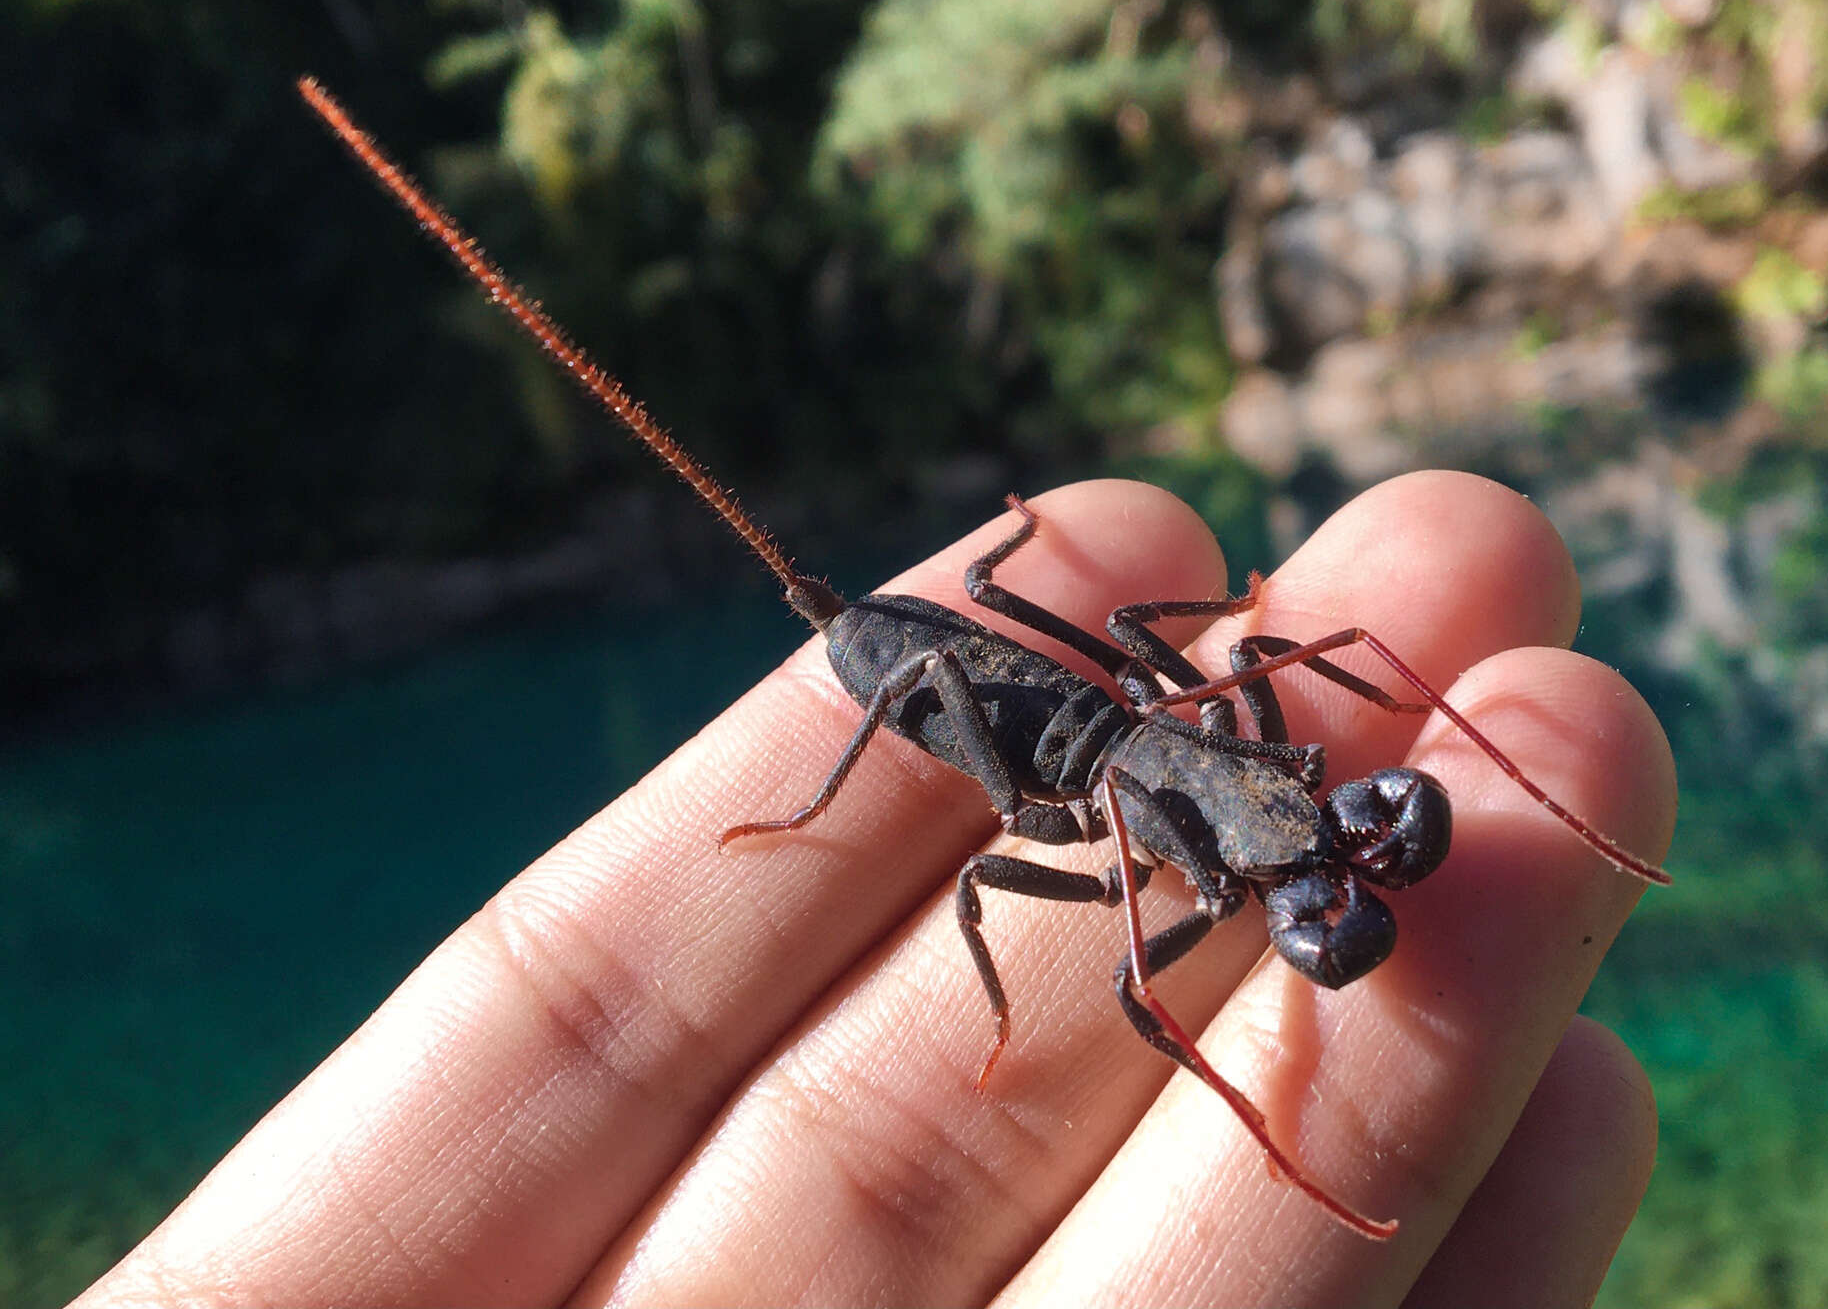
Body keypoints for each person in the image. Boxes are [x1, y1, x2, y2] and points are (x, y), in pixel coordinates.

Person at [76, 472, 1675, 1308]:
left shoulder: (1251, 754)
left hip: (1125, 719)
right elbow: (1115, 939)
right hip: (997, 721)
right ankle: (835, 808)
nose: (1331, 849)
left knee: (1256, 653)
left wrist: (1371, 692)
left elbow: (1276, 655)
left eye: (1331, 832)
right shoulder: (1140, 858)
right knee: (1014, 896)